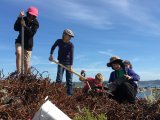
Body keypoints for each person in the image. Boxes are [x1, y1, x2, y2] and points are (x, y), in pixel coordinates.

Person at [14, 6, 39, 75]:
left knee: (26, 62)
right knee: (19, 53)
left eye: (33, 16)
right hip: (19, 41)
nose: (31, 17)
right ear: (27, 14)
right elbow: (15, 28)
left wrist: (25, 26)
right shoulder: (23, 19)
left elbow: (31, 34)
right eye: (29, 15)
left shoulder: (36, 23)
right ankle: (18, 74)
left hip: (28, 44)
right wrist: (19, 18)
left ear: (35, 17)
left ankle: (25, 77)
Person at [49, 29, 74, 96]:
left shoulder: (71, 45)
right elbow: (53, 47)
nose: (70, 38)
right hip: (60, 62)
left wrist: (71, 66)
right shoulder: (59, 41)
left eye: (71, 36)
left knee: (69, 80)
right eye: (69, 36)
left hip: (68, 63)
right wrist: (51, 55)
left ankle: (70, 95)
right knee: (59, 79)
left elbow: (71, 55)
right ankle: (57, 94)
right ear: (64, 35)